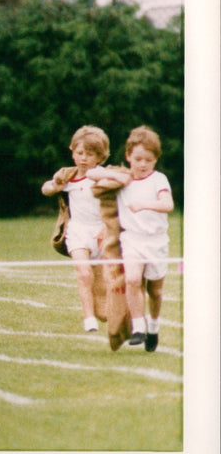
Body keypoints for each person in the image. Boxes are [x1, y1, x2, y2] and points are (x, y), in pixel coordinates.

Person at [88, 126, 174, 351]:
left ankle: (153, 327)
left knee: (155, 291)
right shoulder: (123, 178)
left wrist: (144, 205)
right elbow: (91, 173)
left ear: (155, 160)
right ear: (128, 157)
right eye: (137, 159)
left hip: (155, 241)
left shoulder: (159, 179)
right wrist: (115, 175)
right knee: (133, 280)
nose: (143, 164)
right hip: (132, 240)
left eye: (148, 159)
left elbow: (168, 205)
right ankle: (138, 327)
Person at [42, 126, 110, 332]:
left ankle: (106, 313)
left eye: (90, 154)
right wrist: (55, 185)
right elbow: (45, 188)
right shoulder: (68, 176)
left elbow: (119, 203)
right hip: (77, 232)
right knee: (83, 273)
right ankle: (88, 319)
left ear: (99, 156)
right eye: (80, 153)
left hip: (101, 233)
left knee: (104, 308)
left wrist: (108, 228)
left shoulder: (105, 177)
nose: (84, 158)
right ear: (72, 152)